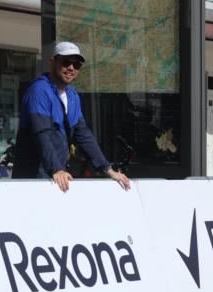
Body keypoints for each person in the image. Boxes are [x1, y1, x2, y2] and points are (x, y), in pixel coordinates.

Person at [13, 41, 131, 192]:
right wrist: (56, 169)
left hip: (56, 178)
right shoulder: (39, 91)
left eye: (77, 65)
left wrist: (107, 169)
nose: (71, 68)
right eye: (66, 62)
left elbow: (83, 134)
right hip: (33, 179)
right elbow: (41, 133)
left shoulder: (72, 95)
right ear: (53, 62)